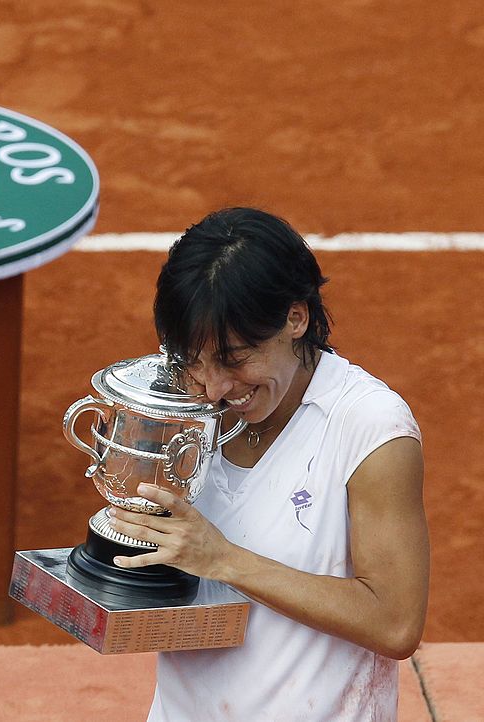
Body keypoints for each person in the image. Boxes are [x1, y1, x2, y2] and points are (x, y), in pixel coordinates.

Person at [106, 208, 429, 721]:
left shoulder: (369, 427)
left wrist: (224, 559)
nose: (213, 387)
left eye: (235, 360)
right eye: (192, 359)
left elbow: (395, 624)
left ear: (295, 319)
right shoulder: (181, 405)